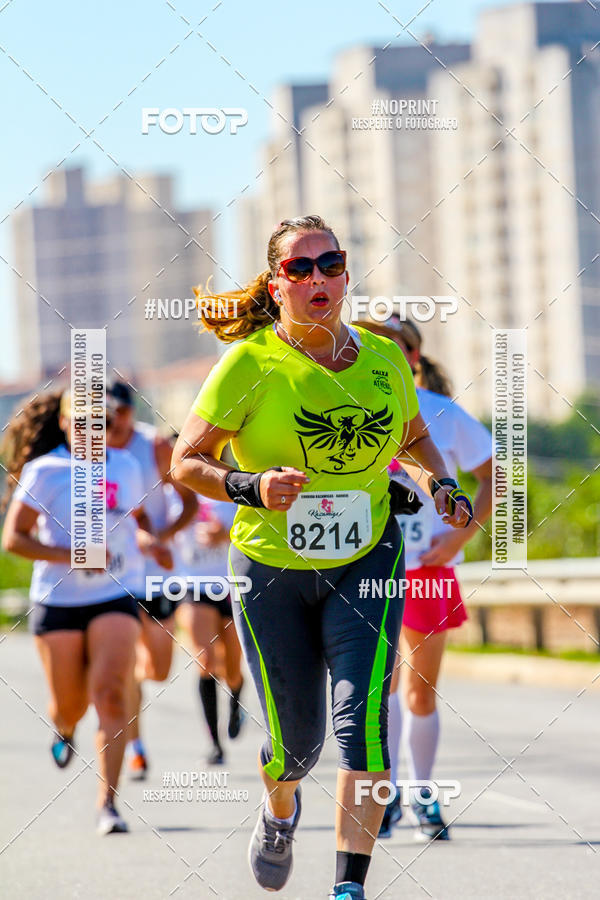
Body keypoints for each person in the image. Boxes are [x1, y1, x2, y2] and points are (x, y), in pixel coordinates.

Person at [171, 215, 473, 900]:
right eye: (300, 267)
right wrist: (251, 486)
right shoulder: (248, 365)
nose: (318, 278)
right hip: (270, 569)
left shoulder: (382, 358)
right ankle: (279, 810)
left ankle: (348, 887)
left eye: (330, 264)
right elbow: (185, 462)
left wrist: (440, 485)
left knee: (364, 727)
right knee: (297, 746)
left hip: (367, 559)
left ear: (345, 275)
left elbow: (414, 439)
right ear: (277, 283)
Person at [1, 390, 170, 834]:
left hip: (115, 592)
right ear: (64, 424)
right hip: (57, 600)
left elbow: (137, 516)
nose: (91, 431)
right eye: (81, 423)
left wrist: (150, 540)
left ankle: (107, 804)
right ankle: (64, 728)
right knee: (69, 705)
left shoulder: (127, 467)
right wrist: (73, 554)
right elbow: (13, 539)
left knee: (111, 695)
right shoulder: (45, 471)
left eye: (101, 423)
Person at [357, 315, 492, 841]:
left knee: (420, 691)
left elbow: (496, 476)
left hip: (427, 571)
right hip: (368, 568)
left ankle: (423, 795)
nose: (382, 351)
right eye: (373, 342)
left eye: (394, 345)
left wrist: (459, 539)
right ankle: (385, 794)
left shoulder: (442, 413)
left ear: (412, 357)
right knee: (379, 689)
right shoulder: (351, 406)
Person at [104, 381, 197, 779]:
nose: (115, 421)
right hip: (113, 576)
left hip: (157, 574)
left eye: (121, 412)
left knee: (157, 670)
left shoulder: (154, 446)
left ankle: (133, 680)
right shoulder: (89, 452)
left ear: (131, 411)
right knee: (124, 669)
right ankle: (135, 747)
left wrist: (163, 536)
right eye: (107, 414)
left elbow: (189, 502)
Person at [169, 481, 245, 764]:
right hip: (192, 585)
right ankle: (215, 743)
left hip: (231, 584)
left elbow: (254, 531)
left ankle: (236, 698)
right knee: (205, 660)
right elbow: (150, 525)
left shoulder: (232, 486)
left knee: (232, 669)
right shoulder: (173, 493)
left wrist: (226, 534)